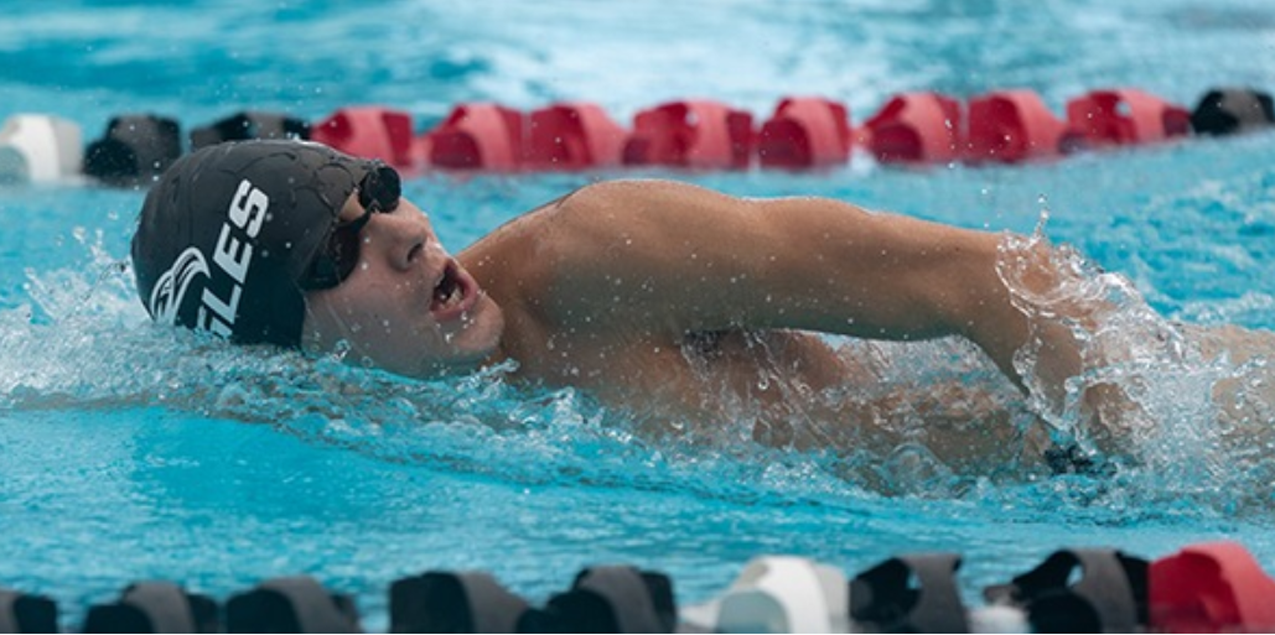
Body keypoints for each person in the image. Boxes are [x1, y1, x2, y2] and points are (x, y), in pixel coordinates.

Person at [129, 140, 1273, 474]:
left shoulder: (601, 255)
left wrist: (1149, 455)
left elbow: (990, 279)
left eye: (376, 189)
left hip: (1204, 418)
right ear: (288, 345)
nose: (406, 229)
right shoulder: (337, 411)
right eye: (339, 248)